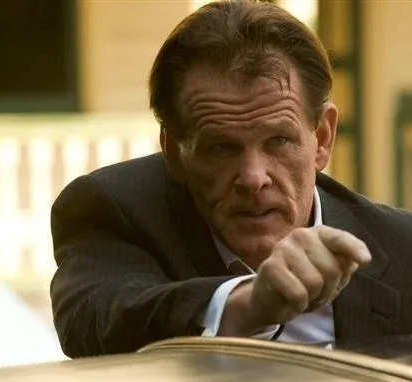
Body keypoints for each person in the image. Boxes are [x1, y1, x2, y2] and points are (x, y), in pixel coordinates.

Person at [50, 0, 412, 359]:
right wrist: (248, 303)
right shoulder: (116, 210)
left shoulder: (402, 247)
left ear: (322, 138)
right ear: (173, 152)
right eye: (221, 148)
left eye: (278, 140)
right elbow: (94, 320)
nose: (253, 178)